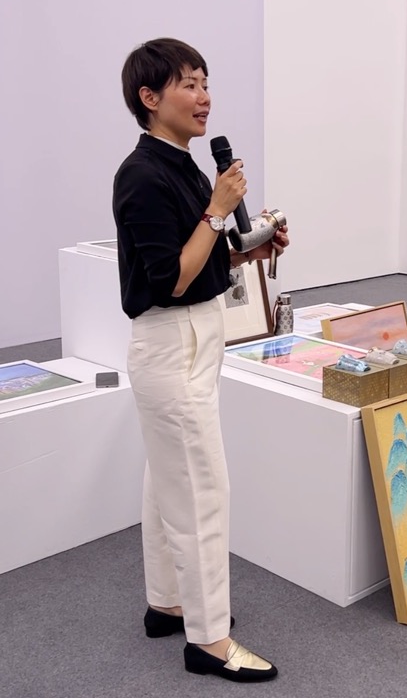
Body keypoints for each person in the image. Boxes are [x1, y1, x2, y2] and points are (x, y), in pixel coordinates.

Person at [112, 38, 289, 682]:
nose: (204, 96)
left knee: (168, 481)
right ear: (149, 97)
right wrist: (217, 210)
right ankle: (209, 640)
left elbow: (202, 256)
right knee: (203, 490)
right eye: (188, 83)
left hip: (193, 339)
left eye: (206, 82)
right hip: (172, 340)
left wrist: (249, 248)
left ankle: (168, 603)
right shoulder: (141, 176)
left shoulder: (184, 166)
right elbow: (171, 279)